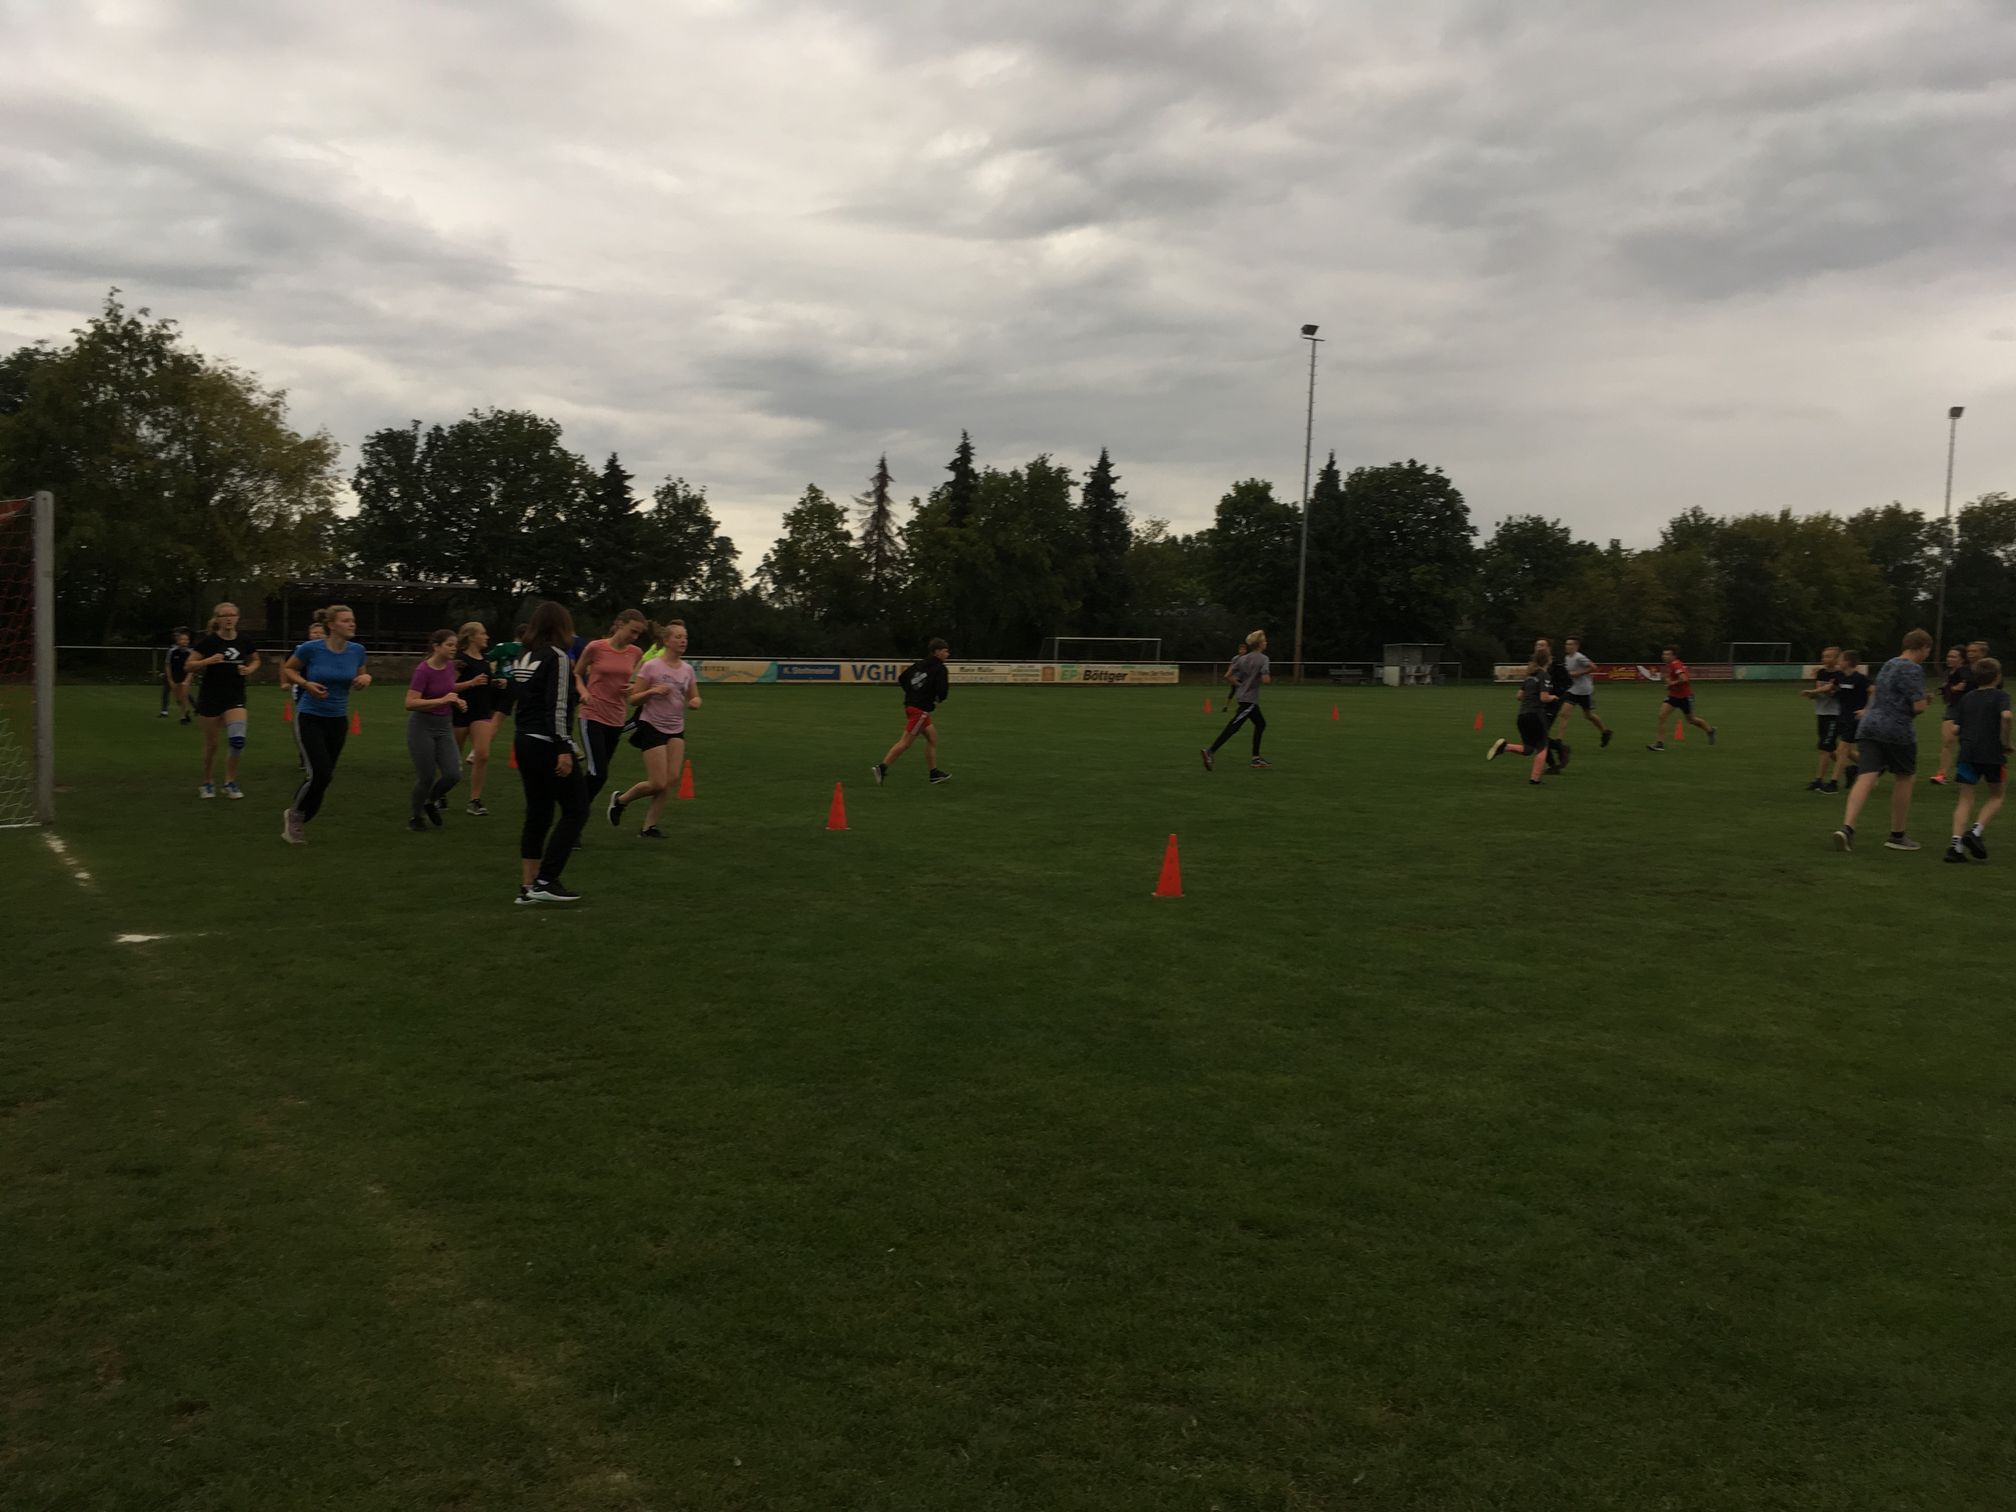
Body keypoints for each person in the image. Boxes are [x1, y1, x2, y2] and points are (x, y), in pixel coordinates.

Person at [509, 601, 589, 904]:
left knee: (538, 813)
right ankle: (546, 879)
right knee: (576, 809)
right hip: (547, 743)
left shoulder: (524, 655)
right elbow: (557, 706)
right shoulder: (558, 657)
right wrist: (563, 747)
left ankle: (528, 887)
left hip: (523, 740)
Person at [1832, 628, 1933, 853]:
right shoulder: (1913, 669)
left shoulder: (1889, 664)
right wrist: (1926, 701)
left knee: (1866, 776)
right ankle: (1897, 835)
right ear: (1923, 647)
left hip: (1869, 725)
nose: (1927, 655)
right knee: (1905, 777)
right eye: (1928, 651)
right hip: (1896, 729)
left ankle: (1847, 828)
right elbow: (1918, 707)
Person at [278, 604, 371, 844]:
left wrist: (365, 678)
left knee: (325, 776)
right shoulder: (311, 648)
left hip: (338, 720)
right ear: (331, 625)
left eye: (353, 620)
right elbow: (289, 668)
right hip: (310, 716)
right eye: (346, 620)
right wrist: (305, 684)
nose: (352, 624)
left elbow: (361, 676)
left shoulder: (357, 650)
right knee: (319, 773)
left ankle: (301, 817)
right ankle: (295, 816)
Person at [607, 619, 700, 839]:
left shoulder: (687, 669)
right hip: (652, 725)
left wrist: (695, 702)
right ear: (666, 640)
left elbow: (694, 695)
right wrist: (652, 692)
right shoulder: (652, 666)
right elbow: (633, 699)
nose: (683, 641)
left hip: (676, 728)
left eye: (685, 637)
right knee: (658, 782)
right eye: (678, 637)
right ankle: (621, 800)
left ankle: (649, 827)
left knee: (671, 780)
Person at [574, 609, 647, 814]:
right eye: (632, 631)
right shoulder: (595, 647)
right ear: (620, 624)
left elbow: (635, 682)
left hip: (616, 719)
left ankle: (575, 807)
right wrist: (583, 691)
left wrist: (632, 687)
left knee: (597, 773)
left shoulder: (636, 653)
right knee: (598, 773)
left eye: (638, 634)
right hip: (592, 714)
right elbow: (577, 674)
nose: (635, 637)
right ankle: (576, 813)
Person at [186, 602, 262, 799]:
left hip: (235, 696)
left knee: (237, 741)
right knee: (212, 745)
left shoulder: (244, 640)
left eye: (232, 615)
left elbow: (255, 659)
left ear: (237, 618)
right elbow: (189, 665)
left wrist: (249, 669)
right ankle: (207, 782)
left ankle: (230, 782)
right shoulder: (209, 642)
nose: (228, 618)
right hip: (211, 697)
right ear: (217, 619)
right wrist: (207, 661)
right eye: (224, 615)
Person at [1944, 656, 2011, 863]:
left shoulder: (1967, 698)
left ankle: (1955, 847)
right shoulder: (2001, 696)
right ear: (1997, 676)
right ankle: (1975, 832)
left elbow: (1955, 728)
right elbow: (2006, 716)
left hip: (1968, 752)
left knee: (1965, 799)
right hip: (1992, 753)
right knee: (1997, 795)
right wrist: (2006, 742)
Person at [404, 629, 467, 832]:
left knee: (453, 774)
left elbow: (448, 689)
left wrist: (456, 700)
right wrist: (442, 700)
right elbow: (410, 703)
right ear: (436, 646)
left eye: (455, 645)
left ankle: (430, 801)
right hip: (422, 726)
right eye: (449, 645)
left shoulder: (450, 666)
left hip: (444, 725)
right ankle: (416, 817)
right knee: (427, 776)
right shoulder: (423, 670)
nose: (454, 648)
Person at [877, 637, 953, 784]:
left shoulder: (920, 664)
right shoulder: (940, 668)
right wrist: (938, 698)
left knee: (932, 738)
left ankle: (934, 773)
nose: (947, 654)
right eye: (945, 651)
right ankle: (882, 767)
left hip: (912, 707)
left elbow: (902, 678)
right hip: (920, 710)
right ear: (937, 652)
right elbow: (942, 691)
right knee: (905, 743)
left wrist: (912, 693)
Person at [1200, 630, 1271, 771]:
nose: (1266, 642)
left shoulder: (1242, 659)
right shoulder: (1263, 659)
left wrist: (1240, 685)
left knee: (1260, 724)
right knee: (1233, 726)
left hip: (1243, 697)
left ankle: (1256, 758)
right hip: (1249, 700)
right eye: (1264, 640)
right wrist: (1264, 676)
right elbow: (1266, 680)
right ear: (1259, 644)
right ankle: (1210, 751)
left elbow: (1228, 675)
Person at [450, 623, 503, 815]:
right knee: (452, 760)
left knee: (482, 755)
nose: (486, 637)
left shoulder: (486, 659)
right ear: (471, 637)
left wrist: (496, 683)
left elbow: (485, 683)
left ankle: (475, 800)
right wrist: (471, 683)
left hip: (481, 712)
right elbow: (448, 686)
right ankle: (440, 795)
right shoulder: (460, 660)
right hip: (460, 711)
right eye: (483, 633)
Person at [1486, 648, 1558, 784]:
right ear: (1547, 660)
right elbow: (1544, 697)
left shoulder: (1530, 676)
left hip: (1522, 716)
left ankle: (1505, 747)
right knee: (1543, 746)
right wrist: (1553, 697)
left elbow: (1519, 696)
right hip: (1536, 715)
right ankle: (1535, 779)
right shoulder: (1544, 675)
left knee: (1528, 749)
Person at [1647, 646, 1716, 750]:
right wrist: (1667, 683)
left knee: (1691, 720)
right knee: (1662, 716)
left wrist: (1672, 683)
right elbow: (1671, 678)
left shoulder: (1676, 664)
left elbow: (1684, 679)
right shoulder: (1669, 665)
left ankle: (1710, 730)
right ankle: (1659, 744)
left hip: (1685, 697)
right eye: (1663, 654)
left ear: (1674, 656)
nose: (1664, 656)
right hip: (1673, 696)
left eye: (1667, 654)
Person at [1557, 636, 1613, 748]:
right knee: (1564, 714)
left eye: (1570, 644)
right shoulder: (1567, 658)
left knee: (1588, 715)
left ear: (1576, 646)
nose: (1567, 646)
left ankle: (1605, 732)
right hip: (1572, 690)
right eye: (1566, 644)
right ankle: (1559, 741)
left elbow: (1594, 667)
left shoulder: (1580, 657)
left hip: (1584, 691)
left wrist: (1578, 673)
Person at [1931, 644, 1974, 785]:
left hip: (1968, 710)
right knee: (1947, 741)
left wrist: (1957, 687)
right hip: (1952, 709)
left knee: (1968, 744)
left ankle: (1970, 772)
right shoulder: (1947, 673)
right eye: (1949, 656)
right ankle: (1941, 775)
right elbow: (1948, 690)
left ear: (1962, 659)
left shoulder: (1965, 671)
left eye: (1954, 657)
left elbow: (1967, 684)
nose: (1949, 659)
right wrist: (1946, 690)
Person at [1800, 646, 1842, 791]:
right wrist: (1812, 695)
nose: (1825, 659)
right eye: (1824, 656)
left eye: (1829, 656)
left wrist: (1816, 691)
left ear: (1837, 659)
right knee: (1831, 749)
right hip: (1821, 713)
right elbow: (1819, 691)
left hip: (1834, 714)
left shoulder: (1840, 675)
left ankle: (1819, 780)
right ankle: (1851, 769)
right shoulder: (1821, 673)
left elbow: (1831, 691)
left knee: (1824, 747)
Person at [1833, 650, 1870, 790]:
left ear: (1847, 662)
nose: (1838, 662)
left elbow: (1874, 692)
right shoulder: (1840, 677)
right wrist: (1815, 692)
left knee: (1842, 749)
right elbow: (1833, 688)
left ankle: (1833, 783)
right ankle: (1871, 766)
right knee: (1838, 750)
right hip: (1842, 717)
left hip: (1855, 718)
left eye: (1840, 659)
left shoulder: (1860, 678)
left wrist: (1866, 709)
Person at [161, 628, 194, 723]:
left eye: (186, 640)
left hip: (185, 676)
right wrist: (170, 680)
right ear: (178, 641)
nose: (185, 641)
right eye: (182, 639)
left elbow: (192, 667)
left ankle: (183, 717)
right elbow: (168, 665)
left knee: (184, 693)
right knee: (179, 699)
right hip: (174, 676)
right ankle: (186, 710)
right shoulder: (172, 651)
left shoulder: (190, 652)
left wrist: (187, 680)